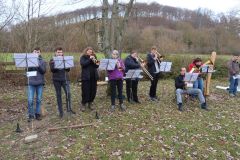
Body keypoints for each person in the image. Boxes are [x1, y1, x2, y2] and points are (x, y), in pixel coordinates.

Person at [49, 47, 75, 118]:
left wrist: (65, 64)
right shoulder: (52, 60)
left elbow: (68, 69)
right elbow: (52, 70)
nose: (60, 53)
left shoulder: (65, 59)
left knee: (68, 94)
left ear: (62, 53)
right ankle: (61, 112)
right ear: (55, 53)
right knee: (58, 95)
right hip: (56, 80)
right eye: (58, 52)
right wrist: (58, 64)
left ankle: (69, 109)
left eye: (61, 52)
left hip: (65, 79)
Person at [27, 47, 46, 122]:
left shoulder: (42, 61)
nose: (36, 53)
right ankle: (31, 114)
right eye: (35, 52)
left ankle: (37, 114)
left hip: (40, 82)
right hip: (31, 82)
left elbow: (44, 71)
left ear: (40, 53)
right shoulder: (29, 61)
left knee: (38, 99)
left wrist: (38, 65)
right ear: (32, 53)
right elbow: (27, 70)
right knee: (30, 99)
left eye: (38, 52)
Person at [80, 47, 99, 111]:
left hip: (94, 77)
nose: (90, 53)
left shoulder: (94, 57)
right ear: (86, 51)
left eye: (91, 52)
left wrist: (95, 60)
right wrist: (89, 59)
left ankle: (90, 102)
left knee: (93, 90)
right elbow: (83, 64)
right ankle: (84, 103)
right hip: (86, 77)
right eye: (89, 51)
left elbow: (97, 65)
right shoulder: (83, 57)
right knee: (85, 91)